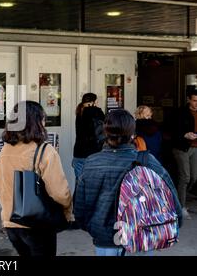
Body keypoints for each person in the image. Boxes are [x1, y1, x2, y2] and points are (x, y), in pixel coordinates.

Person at [74, 109, 182, 256]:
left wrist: (92, 227)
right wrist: (174, 221)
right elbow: (170, 194)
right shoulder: (146, 160)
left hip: (103, 236)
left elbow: (80, 205)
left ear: (106, 133)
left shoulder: (92, 162)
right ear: (132, 134)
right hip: (140, 233)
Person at [0, 101, 72, 256]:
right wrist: (68, 209)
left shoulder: (6, 149)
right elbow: (59, 192)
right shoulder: (45, 151)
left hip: (11, 222)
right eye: (43, 119)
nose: (45, 123)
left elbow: (1, 184)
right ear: (36, 122)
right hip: (37, 224)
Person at [171, 88, 197, 220]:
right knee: (185, 177)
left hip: (195, 148)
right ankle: (180, 207)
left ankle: (178, 197)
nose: (196, 103)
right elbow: (171, 130)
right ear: (188, 100)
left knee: (194, 177)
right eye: (194, 101)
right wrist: (184, 135)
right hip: (182, 147)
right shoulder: (180, 112)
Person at [72, 93, 105, 179]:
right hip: (94, 154)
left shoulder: (80, 112)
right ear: (94, 102)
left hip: (78, 154)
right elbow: (101, 133)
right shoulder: (96, 113)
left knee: (79, 184)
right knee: (93, 186)